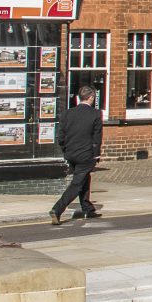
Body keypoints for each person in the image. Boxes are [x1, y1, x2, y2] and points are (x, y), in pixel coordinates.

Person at [51, 84, 103, 224]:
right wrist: (96, 154)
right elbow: (97, 137)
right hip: (86, 154)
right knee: (77, 184)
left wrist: (65, 149)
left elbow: (61, 136)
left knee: (84, 179)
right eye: (93, 97)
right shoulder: (96, 114)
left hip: (71, 153)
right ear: (91, 97)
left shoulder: (68, 113)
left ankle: (87, 209)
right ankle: (57, 209)